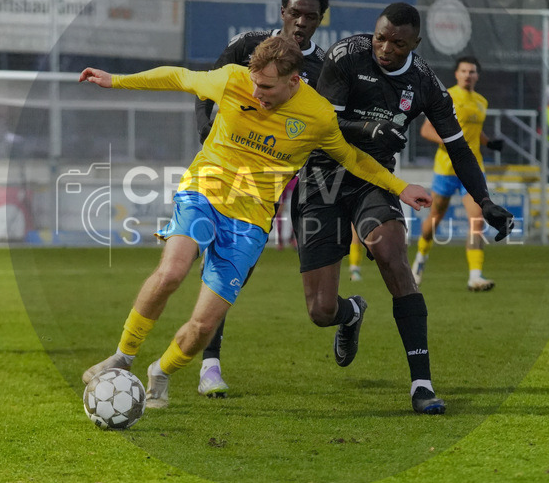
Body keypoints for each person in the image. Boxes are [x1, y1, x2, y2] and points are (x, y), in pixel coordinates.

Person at [79, 35, 432, 410]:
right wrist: (115, 79)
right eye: (255, 82)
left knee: (203, 325)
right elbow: (179, 77)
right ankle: (124, 354)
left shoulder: (317, 115)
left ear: (294, 81)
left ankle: (161, 372)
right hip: (204, 191)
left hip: (249, 222)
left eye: (266, 86)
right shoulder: (233, 79)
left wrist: (400, 186)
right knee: (171, 273)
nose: (257, 92)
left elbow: (351, 157)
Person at [292, 3, 514, 415]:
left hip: (375, 181)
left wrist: (485, 200)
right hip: (321, 180)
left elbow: (459, 148)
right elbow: (320, 125)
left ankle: (422, 384)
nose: (385, 48)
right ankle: (351, 312)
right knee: (321, 311)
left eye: (397, 42)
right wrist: (366, 127)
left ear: (415, 43)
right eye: (380, 37)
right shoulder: (347, 55)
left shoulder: (425, 82)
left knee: (392, 254)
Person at [193, 0, 329, 398]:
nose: (301, 22)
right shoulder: (249, 44)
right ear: (282, 11)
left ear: (321, 20)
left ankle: (346, 311)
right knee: (207, 261)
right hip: (224, 171)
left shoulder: (324, 69)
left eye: (311, 16)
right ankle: (208, 365)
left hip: (275, 184)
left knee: (245, 274)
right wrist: (204, 131)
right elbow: (203, 86)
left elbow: (326, 127)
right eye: (295, 13)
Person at [411, 56, 503, 291]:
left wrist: (489, 143)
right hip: (447, 169)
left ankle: (475, 276)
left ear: (477, 76)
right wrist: (449, 143)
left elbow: (475, 130)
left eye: (472, 71)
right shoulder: (446, 96)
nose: (468, 75)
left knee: (477, 221)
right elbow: (426, 129)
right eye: (464, 71)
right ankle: (420, 259)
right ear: (456, 74)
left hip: (472, 170)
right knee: (435, 219)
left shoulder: (482, 101)